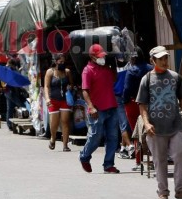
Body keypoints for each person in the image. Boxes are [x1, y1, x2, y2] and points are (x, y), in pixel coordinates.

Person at [136, 46, 182, 199]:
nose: (164, 61)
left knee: (181, 154)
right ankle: (163, 191)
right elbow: (142, 104)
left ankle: (180, 190)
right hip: (155, 128)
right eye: (160, 59)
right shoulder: (147, 79)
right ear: (152, 60)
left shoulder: (176, 77)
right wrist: (147, 124)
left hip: (175, 126)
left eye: (165, 58)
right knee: (159, 160)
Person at [79, 44, 120, 173]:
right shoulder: (88, 70)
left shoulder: (107, 69)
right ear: (92, 57)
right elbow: (85, 90)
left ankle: (108, 164)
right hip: (97, 109)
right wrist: (90, 107)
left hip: (112, 107)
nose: (102, 59)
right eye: (99, 56)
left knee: (113, 137)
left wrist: (114, 66)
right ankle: (84, 156)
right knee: (95, 137)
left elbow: (114, 79)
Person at [123, 47, 153, 171]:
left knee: (137, 134)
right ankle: (154, 159)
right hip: (150, 104)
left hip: (133, 104)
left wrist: (125, 102)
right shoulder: (151, 69)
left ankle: (138, 161)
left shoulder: (131, 71)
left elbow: (127, 89)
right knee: (152, 131)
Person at [44, 54, 73, 152]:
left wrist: (70, 87)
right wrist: (47, 99)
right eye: (60, 62)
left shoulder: (67, 72)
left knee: (65, 121)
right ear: (56, 62)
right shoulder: (50, 72)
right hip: (53, 100)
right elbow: (46, 86)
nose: (62, 64)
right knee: (54, 123)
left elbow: (71, 84)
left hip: (65, 100)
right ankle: (53, 138)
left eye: (63, 62)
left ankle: (65, 145)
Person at [4, 59, 26, 131]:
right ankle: (12, 124)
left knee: (10, 108)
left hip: (9, 92)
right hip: (11, 92)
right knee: (21, 106)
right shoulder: (11, 70)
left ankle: (10, 124)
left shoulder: (8, 70)